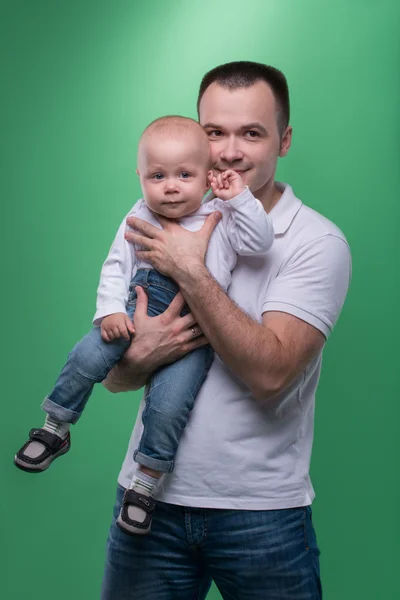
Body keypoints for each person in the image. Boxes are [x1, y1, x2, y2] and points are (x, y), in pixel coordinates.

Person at [100, 61, 351, 599]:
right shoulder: (169, 211)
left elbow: (270, 373)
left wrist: (189, 268)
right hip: (147, 502)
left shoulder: (315, 242)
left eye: (251, 133)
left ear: (283, 140)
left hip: (259, 514)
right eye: (215, 132)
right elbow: (115, 377)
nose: (230, 151)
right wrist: (139, 353)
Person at [14, 115, 274, 536]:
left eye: (185, 175)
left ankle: (145, 483)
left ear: (208, 176)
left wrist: (240, 198)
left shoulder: (222, 215)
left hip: (194, 335)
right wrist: (110, 313)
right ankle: (54, 427)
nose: (171, 186)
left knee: (170, 406)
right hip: (132, 314)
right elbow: (117, 266)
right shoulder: (139, 215)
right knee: (85, 356)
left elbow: (260, 243)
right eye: (158, 175)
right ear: (140, 176)